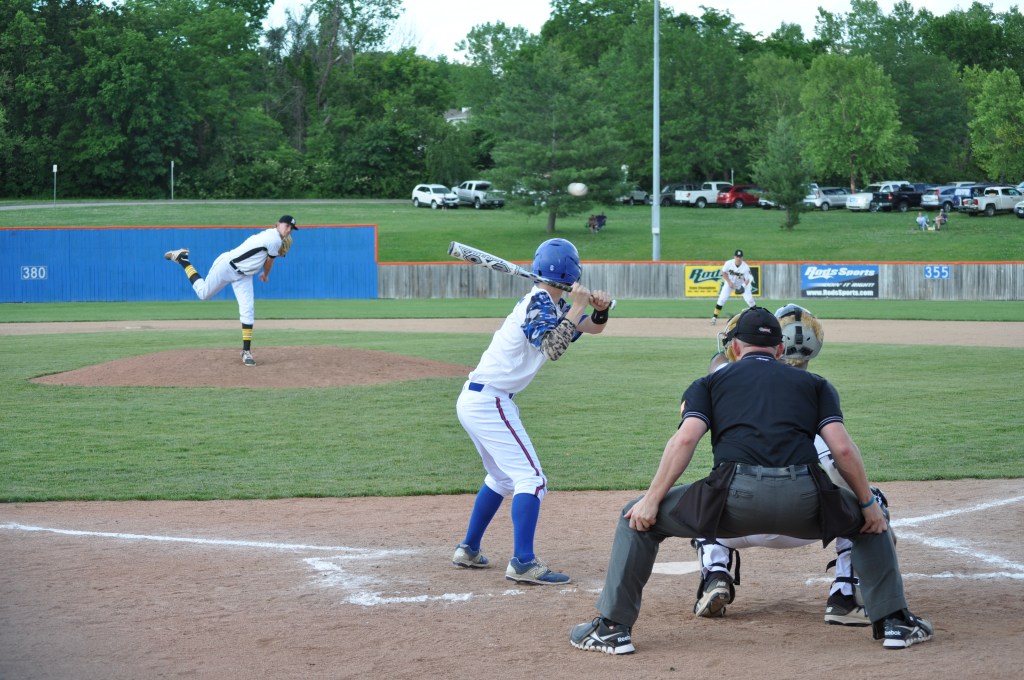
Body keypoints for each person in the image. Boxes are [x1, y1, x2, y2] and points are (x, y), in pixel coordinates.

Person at [569, 306, 932, 655]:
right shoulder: (816, 384)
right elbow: (843, 450)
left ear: (736, 348)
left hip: (732, 503)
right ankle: (894, 622)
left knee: (634, 519)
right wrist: (868, 505)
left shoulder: (709, 382)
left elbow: (684, 441)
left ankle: (613, 628)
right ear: (779, 349)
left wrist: (650, 501)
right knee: (872, 520)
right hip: (807, 501)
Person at [690, 305, 886, 627]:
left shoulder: (723, 385)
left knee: (705, 497)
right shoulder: (811, 390)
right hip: (803, 523)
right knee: (873, 501)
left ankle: (715, 574)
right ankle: (845, 594)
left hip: (735, 524)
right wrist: (869, 507)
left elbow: (717, 369)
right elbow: (838, 462)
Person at [452, 238, 613, 585]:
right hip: (490, 400)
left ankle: (469, 548)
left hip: (480, 399)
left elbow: (592, 327)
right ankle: (523, 562)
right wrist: (577, 306)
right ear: (573, 273)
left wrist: (599, 309)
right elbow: (553, 348)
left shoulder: (550, 305)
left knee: (501, 478)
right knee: (532, 479)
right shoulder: (538, 304)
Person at [164, 215, 296, 367]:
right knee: (203, 293)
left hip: (244, 276)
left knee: (248, 310)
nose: (289, 230)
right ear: (278, 225)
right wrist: (265, 275)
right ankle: (183, 259)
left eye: (291, 228)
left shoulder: (272, 237)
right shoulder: (274, 239)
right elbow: (269, 262)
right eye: (287, 226)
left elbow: (268, 255)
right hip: (227, 266)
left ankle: (246, 352)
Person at [710, 249, 755, 325]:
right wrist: (729, 282)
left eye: (740, 257)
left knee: (750, 301)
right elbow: (724, 273)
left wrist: (743, 287)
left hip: (741, 284)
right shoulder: (728, 263)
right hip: (729, 283)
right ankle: (714, 318)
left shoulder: (745, 267)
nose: (738, 258)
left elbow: (747, 279)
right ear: (734, 257)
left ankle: (757, 317)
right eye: (737, 256)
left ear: (742, 258)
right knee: (721, 299)